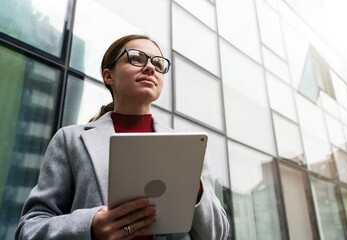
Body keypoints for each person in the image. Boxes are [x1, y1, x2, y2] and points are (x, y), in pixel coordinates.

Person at [15, 34, 229, 240]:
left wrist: (195, 187)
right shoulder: (69, 140)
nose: (150, 67)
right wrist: (89, 227)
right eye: (136, 58)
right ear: (109, 76)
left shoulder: (188, 149)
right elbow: (29, 228)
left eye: (159, 64)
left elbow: (216, 234)